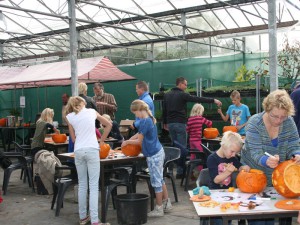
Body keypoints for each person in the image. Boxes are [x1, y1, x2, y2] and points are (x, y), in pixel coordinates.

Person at [241, 89, 300, 225]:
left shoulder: (289, 122)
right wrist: (265, 160)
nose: (279, 120)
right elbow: (255, 152)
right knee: (259, 221)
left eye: (283, 116)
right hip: (254, 177)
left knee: (275, 215)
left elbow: (293, 143)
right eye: (274, 116)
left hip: (278, 180)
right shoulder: (254, 123)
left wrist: (296, 154)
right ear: (267, 109)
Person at [162, 77, 222, 178]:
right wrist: (213, 100)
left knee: (174, 147)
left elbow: (164, 109)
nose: (186, 87)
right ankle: (181, 172)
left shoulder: (167, 95)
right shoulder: (182, 94)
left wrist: (164, 122)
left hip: (171, 124)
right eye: (185, 84)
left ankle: (170, 171)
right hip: (180, 124)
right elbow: (197, 99)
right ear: (180, 84)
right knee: (182, 149)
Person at [65, 96, 112, 225]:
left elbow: (73, 139)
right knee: (93, 186)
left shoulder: (70, 117)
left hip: (79, 150)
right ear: (83, 103)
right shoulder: (92, 112)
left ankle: (83, 217)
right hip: (92, 149)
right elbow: (109, 125)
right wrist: (101, 141)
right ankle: (95, 221)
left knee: (82, 184)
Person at [121, 100, 172, 217]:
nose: (135, 115)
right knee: (160, 179)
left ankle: (159, 208)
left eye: (135, 113)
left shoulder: (145, 121)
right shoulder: (149, 118)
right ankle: (166, 203)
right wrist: (128, 141)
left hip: (153, 154)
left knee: (156, 182)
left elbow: (139, 140)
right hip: (158, 152)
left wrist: (127, 142)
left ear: (139, 110)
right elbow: (138, 135)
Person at [207, 131, 250, 225]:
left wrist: (243, 167)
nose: (234, 154)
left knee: (228, 218)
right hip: (215, 194)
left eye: (236, 152)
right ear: (223, 146)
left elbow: (239, 167)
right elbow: (216, 180)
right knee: (219, 221)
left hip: (228, 194)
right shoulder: (212, 158)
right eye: (232, 151)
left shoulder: (232, 158)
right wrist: (228, 172)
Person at [31, 108, 60, 194]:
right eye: (51, 116)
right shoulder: (42, 122)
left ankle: (50, 176)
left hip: (38, 146)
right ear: (48, 115)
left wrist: (51, 134)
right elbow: (48, 124)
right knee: (49, 156)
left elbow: (42, 133)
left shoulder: (40, 123)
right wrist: (55, 129)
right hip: (36, 148)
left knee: (50, 153)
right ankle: (50, 177)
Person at [186, 103, 212, 172]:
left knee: (193, 155)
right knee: (201, 156)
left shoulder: (190, 119)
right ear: (200, 111)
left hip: (191, 140)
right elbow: (209, 123)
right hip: (197, 140)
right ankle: (201, 172)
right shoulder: (200, 119)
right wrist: (210, 128)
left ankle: (190, 171)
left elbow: (187, 130)